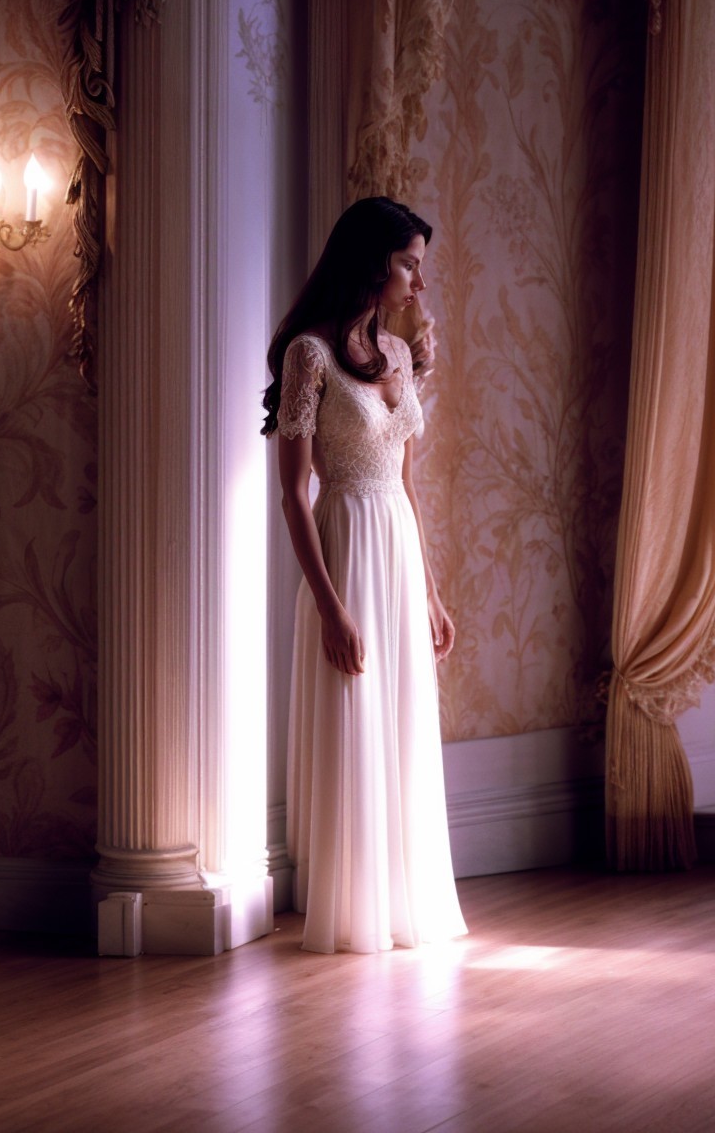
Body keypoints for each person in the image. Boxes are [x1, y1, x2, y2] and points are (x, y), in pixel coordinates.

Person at [261, 196, 467, 953]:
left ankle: (404, 902)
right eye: (408, 263)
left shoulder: (402, 357)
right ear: (372, 262)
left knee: (403, 717)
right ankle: (353, 911)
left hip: (397, 548)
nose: (418, 281)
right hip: (345, 548)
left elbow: (408, 485)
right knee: (356, 716)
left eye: (419, 265)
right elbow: (292, 493)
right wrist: (328, 608)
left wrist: (432, 593)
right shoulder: (307, 357)